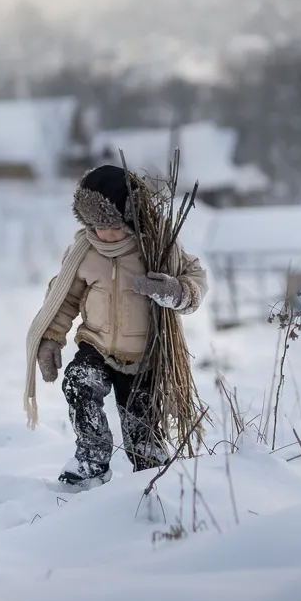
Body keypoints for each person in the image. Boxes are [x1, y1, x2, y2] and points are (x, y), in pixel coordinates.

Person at [24, 164, 208, 488]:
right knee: (79, 381)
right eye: (96, 225)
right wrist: (52, 337)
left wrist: (174, 291)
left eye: (112, 225)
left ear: (130, 216)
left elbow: (194, 278)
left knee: (143, 430)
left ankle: (153, 479)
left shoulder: (156, 246)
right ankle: (92, 459)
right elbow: (64, 298)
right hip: (95, 344)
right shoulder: (83, 252)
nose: (104, 234)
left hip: (144, 355)